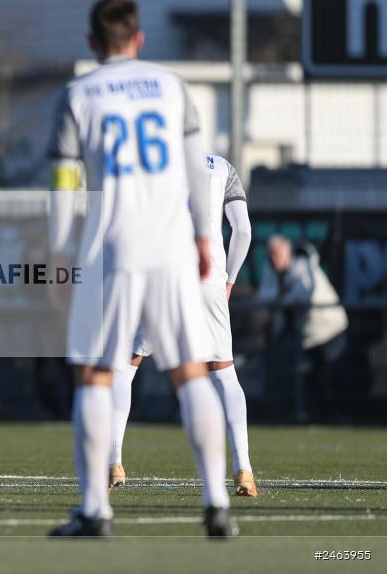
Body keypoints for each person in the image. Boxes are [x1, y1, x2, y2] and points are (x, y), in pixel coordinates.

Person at [46, 0, 235, 537]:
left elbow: (63, 184)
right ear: (139, 39)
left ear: (91, 43)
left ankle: (94, 510)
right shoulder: (172, 86)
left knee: (93, 374)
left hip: (111, 249)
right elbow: (200, 172)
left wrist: (59, 253)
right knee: (190, 370)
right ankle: (216, 503)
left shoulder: (78, 95)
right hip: (173, 246)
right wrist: (204, 235)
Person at [109, 154, 257, 498]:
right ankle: (244, 470)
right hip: (209, 278)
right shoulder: (222, 168)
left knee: (126, 364)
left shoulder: (151, 163)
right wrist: (230, 279)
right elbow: (244, 231)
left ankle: (114, 460)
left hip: (163, 274)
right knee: (223, 373)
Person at [258, 235, 348, 421]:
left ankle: (339, 418)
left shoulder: (303, 266)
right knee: (312, 379)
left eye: (278, 254)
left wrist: (281, 298)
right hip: (308, 336)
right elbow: (265, 296)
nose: (275, 259)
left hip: (330, 329)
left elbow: (303, 295)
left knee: (332, 377)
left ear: (288, 251)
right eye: (272, 255)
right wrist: (282, 297)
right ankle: (321, 417)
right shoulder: (271, 269)